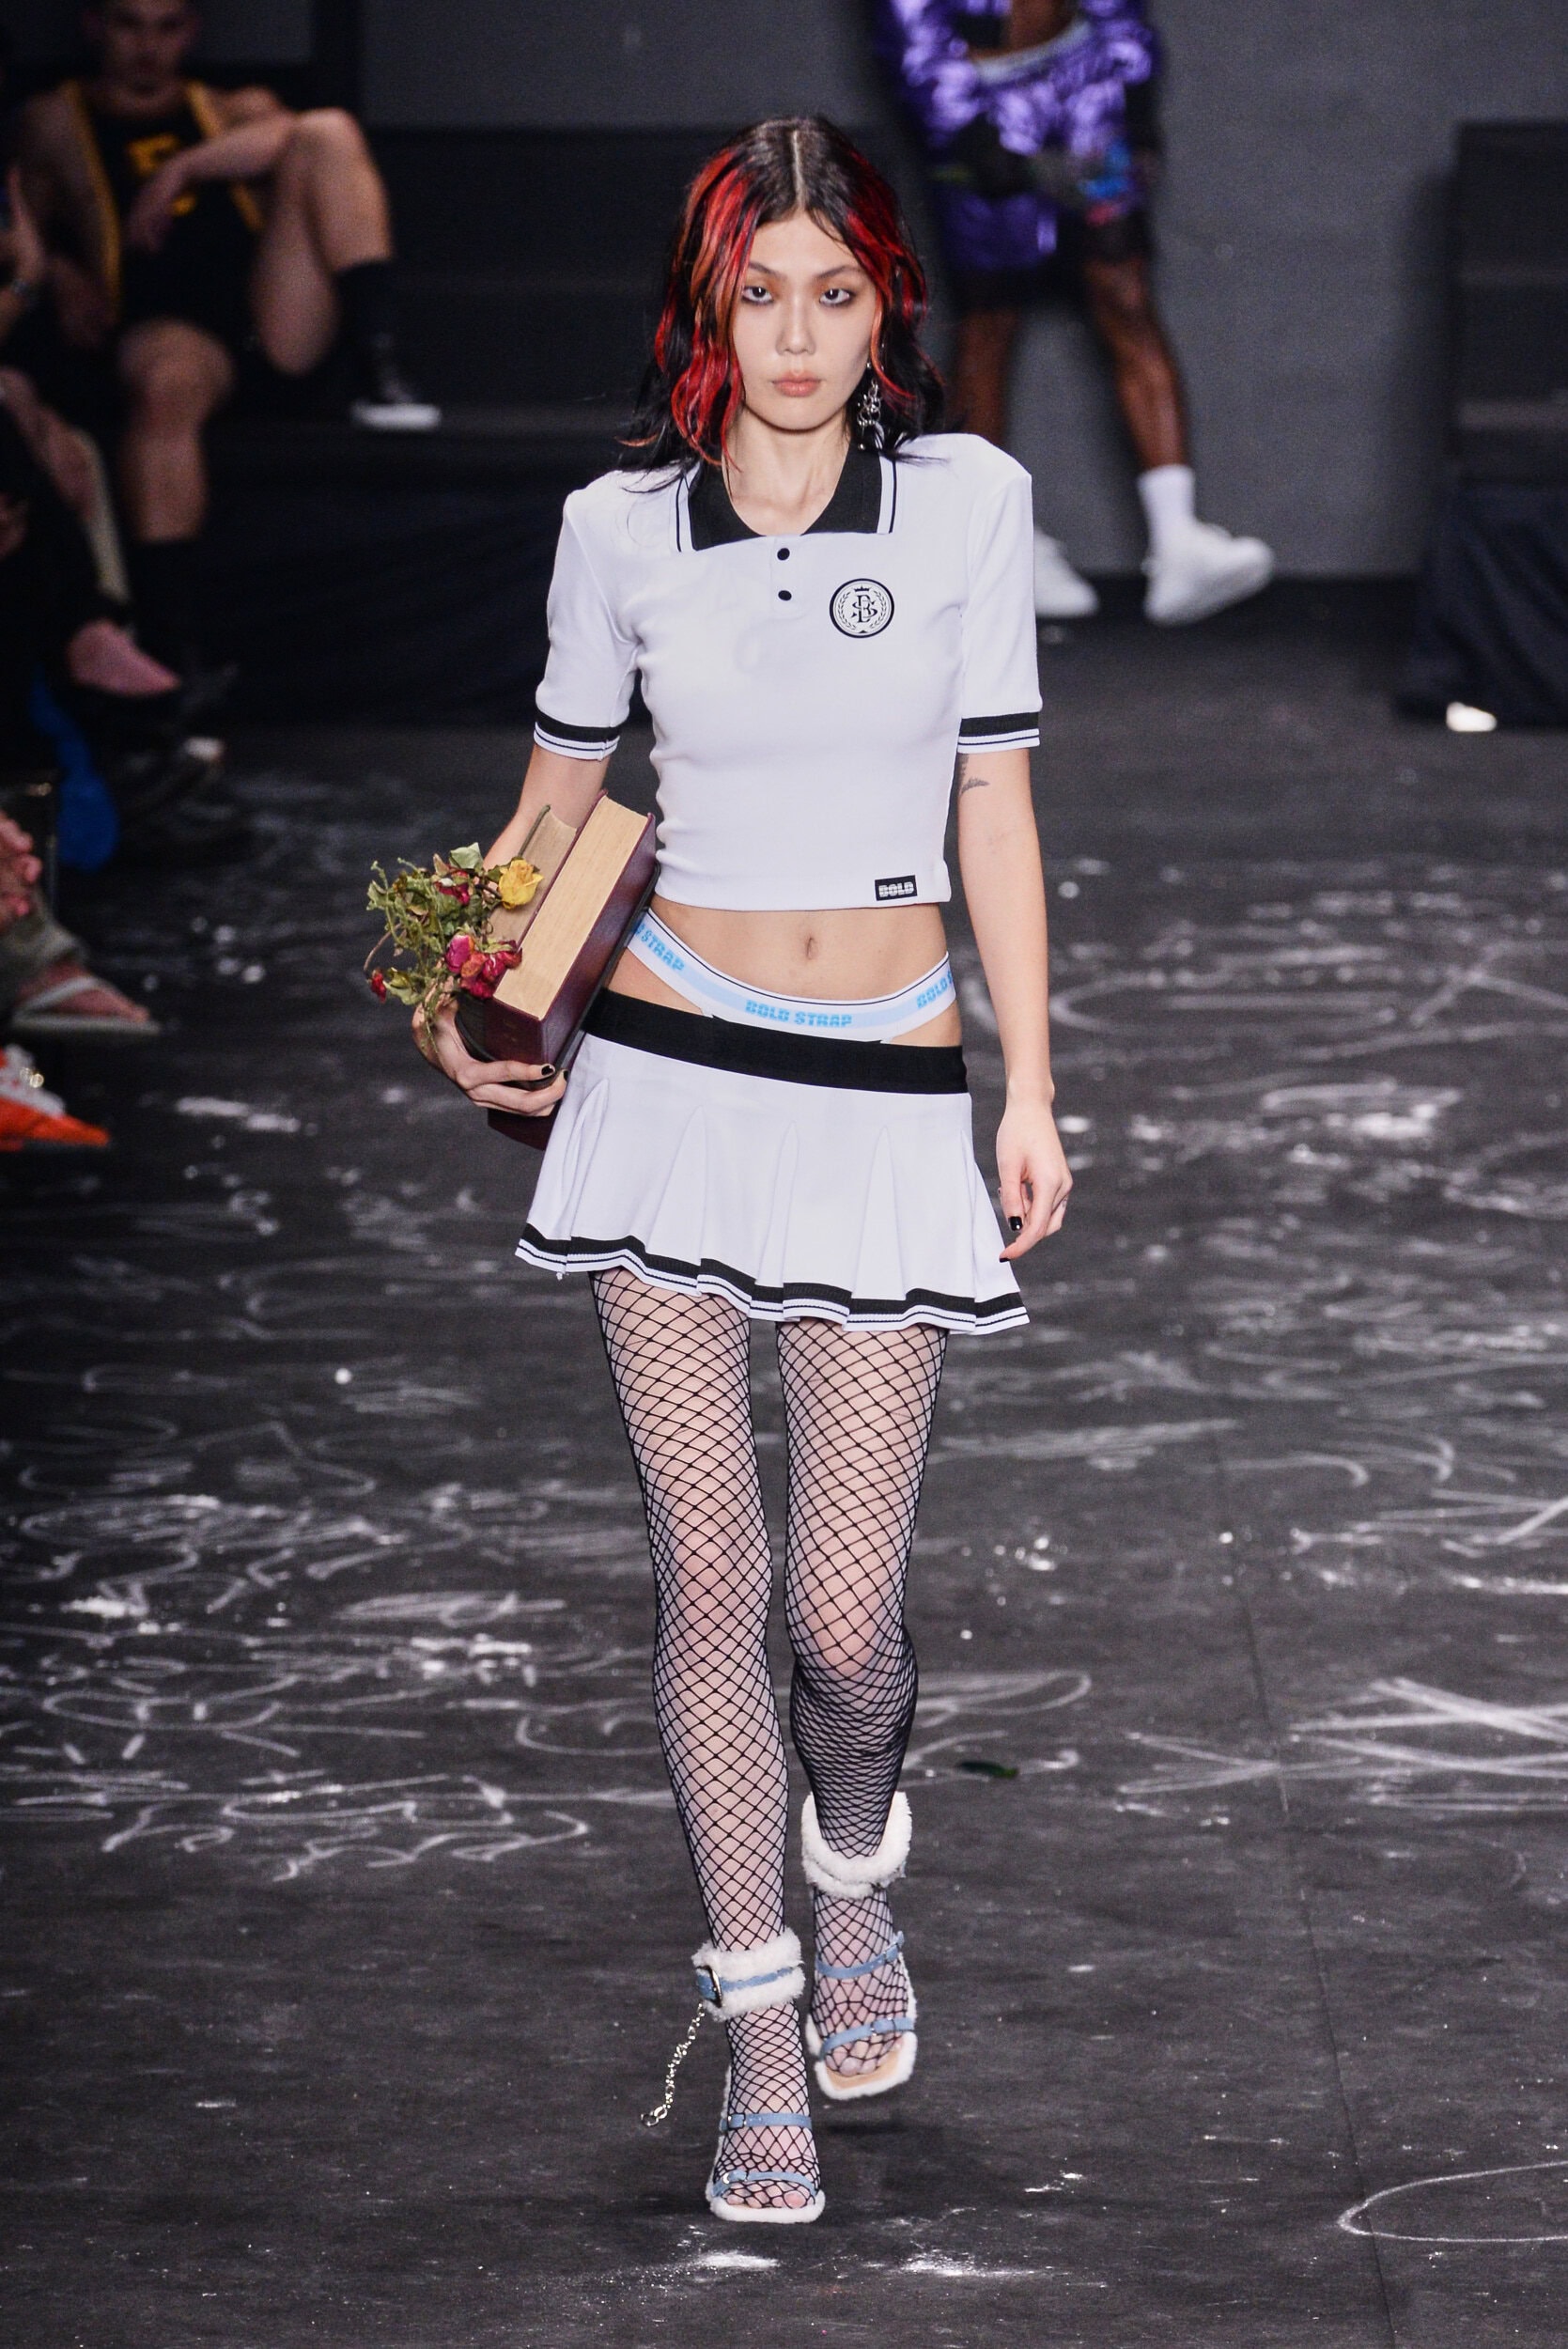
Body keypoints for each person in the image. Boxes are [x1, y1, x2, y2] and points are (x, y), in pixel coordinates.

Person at [417, 117, 1071, 2223]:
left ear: (887, 307)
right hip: (667, 1082)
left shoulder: (968, 502)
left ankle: (852, 1864)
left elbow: (992, 809)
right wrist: (462, 992)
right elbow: (549, 809)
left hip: (879, 1081)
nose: (795, 335)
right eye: (756, 293)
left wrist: (1027, 1086)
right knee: (710, 1575)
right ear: (705, 309)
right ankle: (759, 2013)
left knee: (843, 1620)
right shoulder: (617, 529)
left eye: (833, 293)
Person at [17, 0, 438, 665]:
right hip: (159, 325)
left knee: (327, 131)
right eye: (130, 25)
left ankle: (380, 363)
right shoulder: (55, 118)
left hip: (268, 320)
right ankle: (171, 649)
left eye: (166, 26)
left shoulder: (229, 106)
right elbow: (23, 227)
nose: (148, 47)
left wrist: (183, 168)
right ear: (96, 27)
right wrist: (63, 273)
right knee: (167, 380)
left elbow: (290, 133)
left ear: (191, 30)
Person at [877, 0, 1274, 623]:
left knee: (1126, 294)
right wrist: (971, 136)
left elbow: (1118, 11)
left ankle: (1178, 540)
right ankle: (993, 548)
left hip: (1085, 87)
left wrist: (1133, 103)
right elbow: (914, 37)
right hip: (984, 101)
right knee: (988, 320)